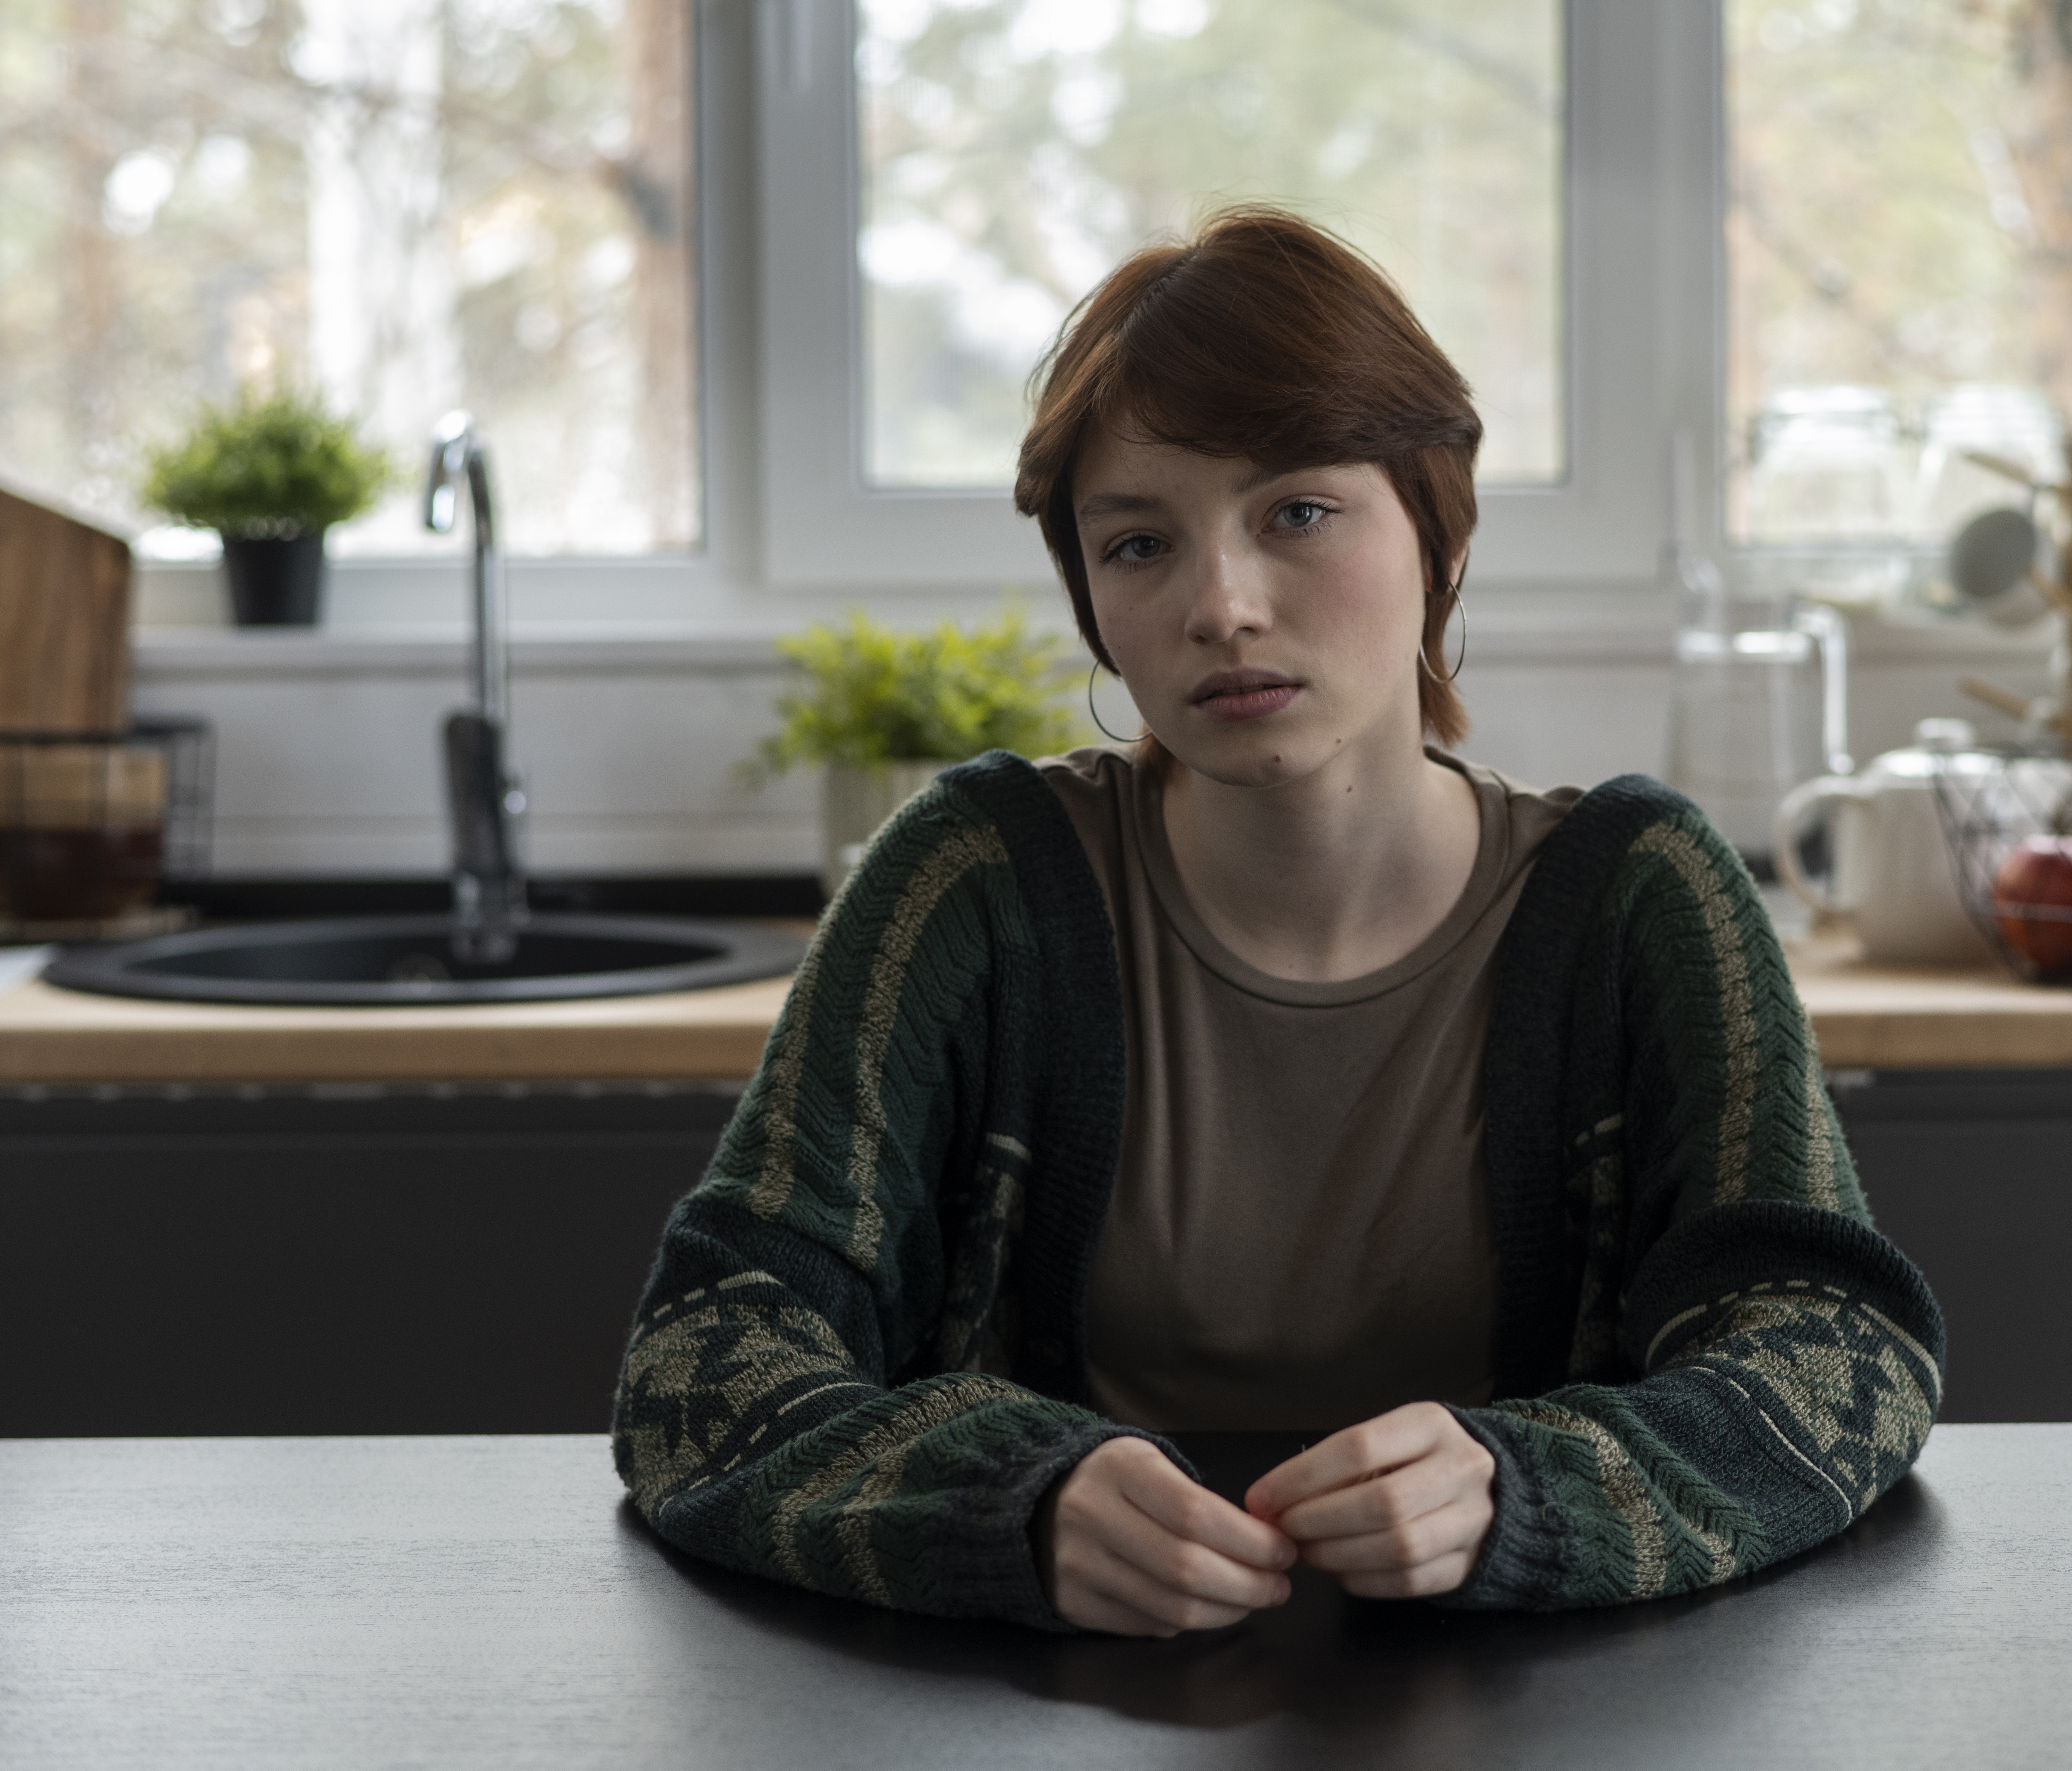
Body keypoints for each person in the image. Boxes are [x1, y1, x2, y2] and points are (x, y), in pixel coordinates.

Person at [612, 207, 1943, 1637]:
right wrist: (1011, 1503)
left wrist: (1529, 1487)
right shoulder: (970, 882)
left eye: (1296, 512)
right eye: (1137, 544)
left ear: (1437, 529)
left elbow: (1840, 1351)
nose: (1220, 604)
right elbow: (702, 1360)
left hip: (1539, 1712)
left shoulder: (1639, 894)